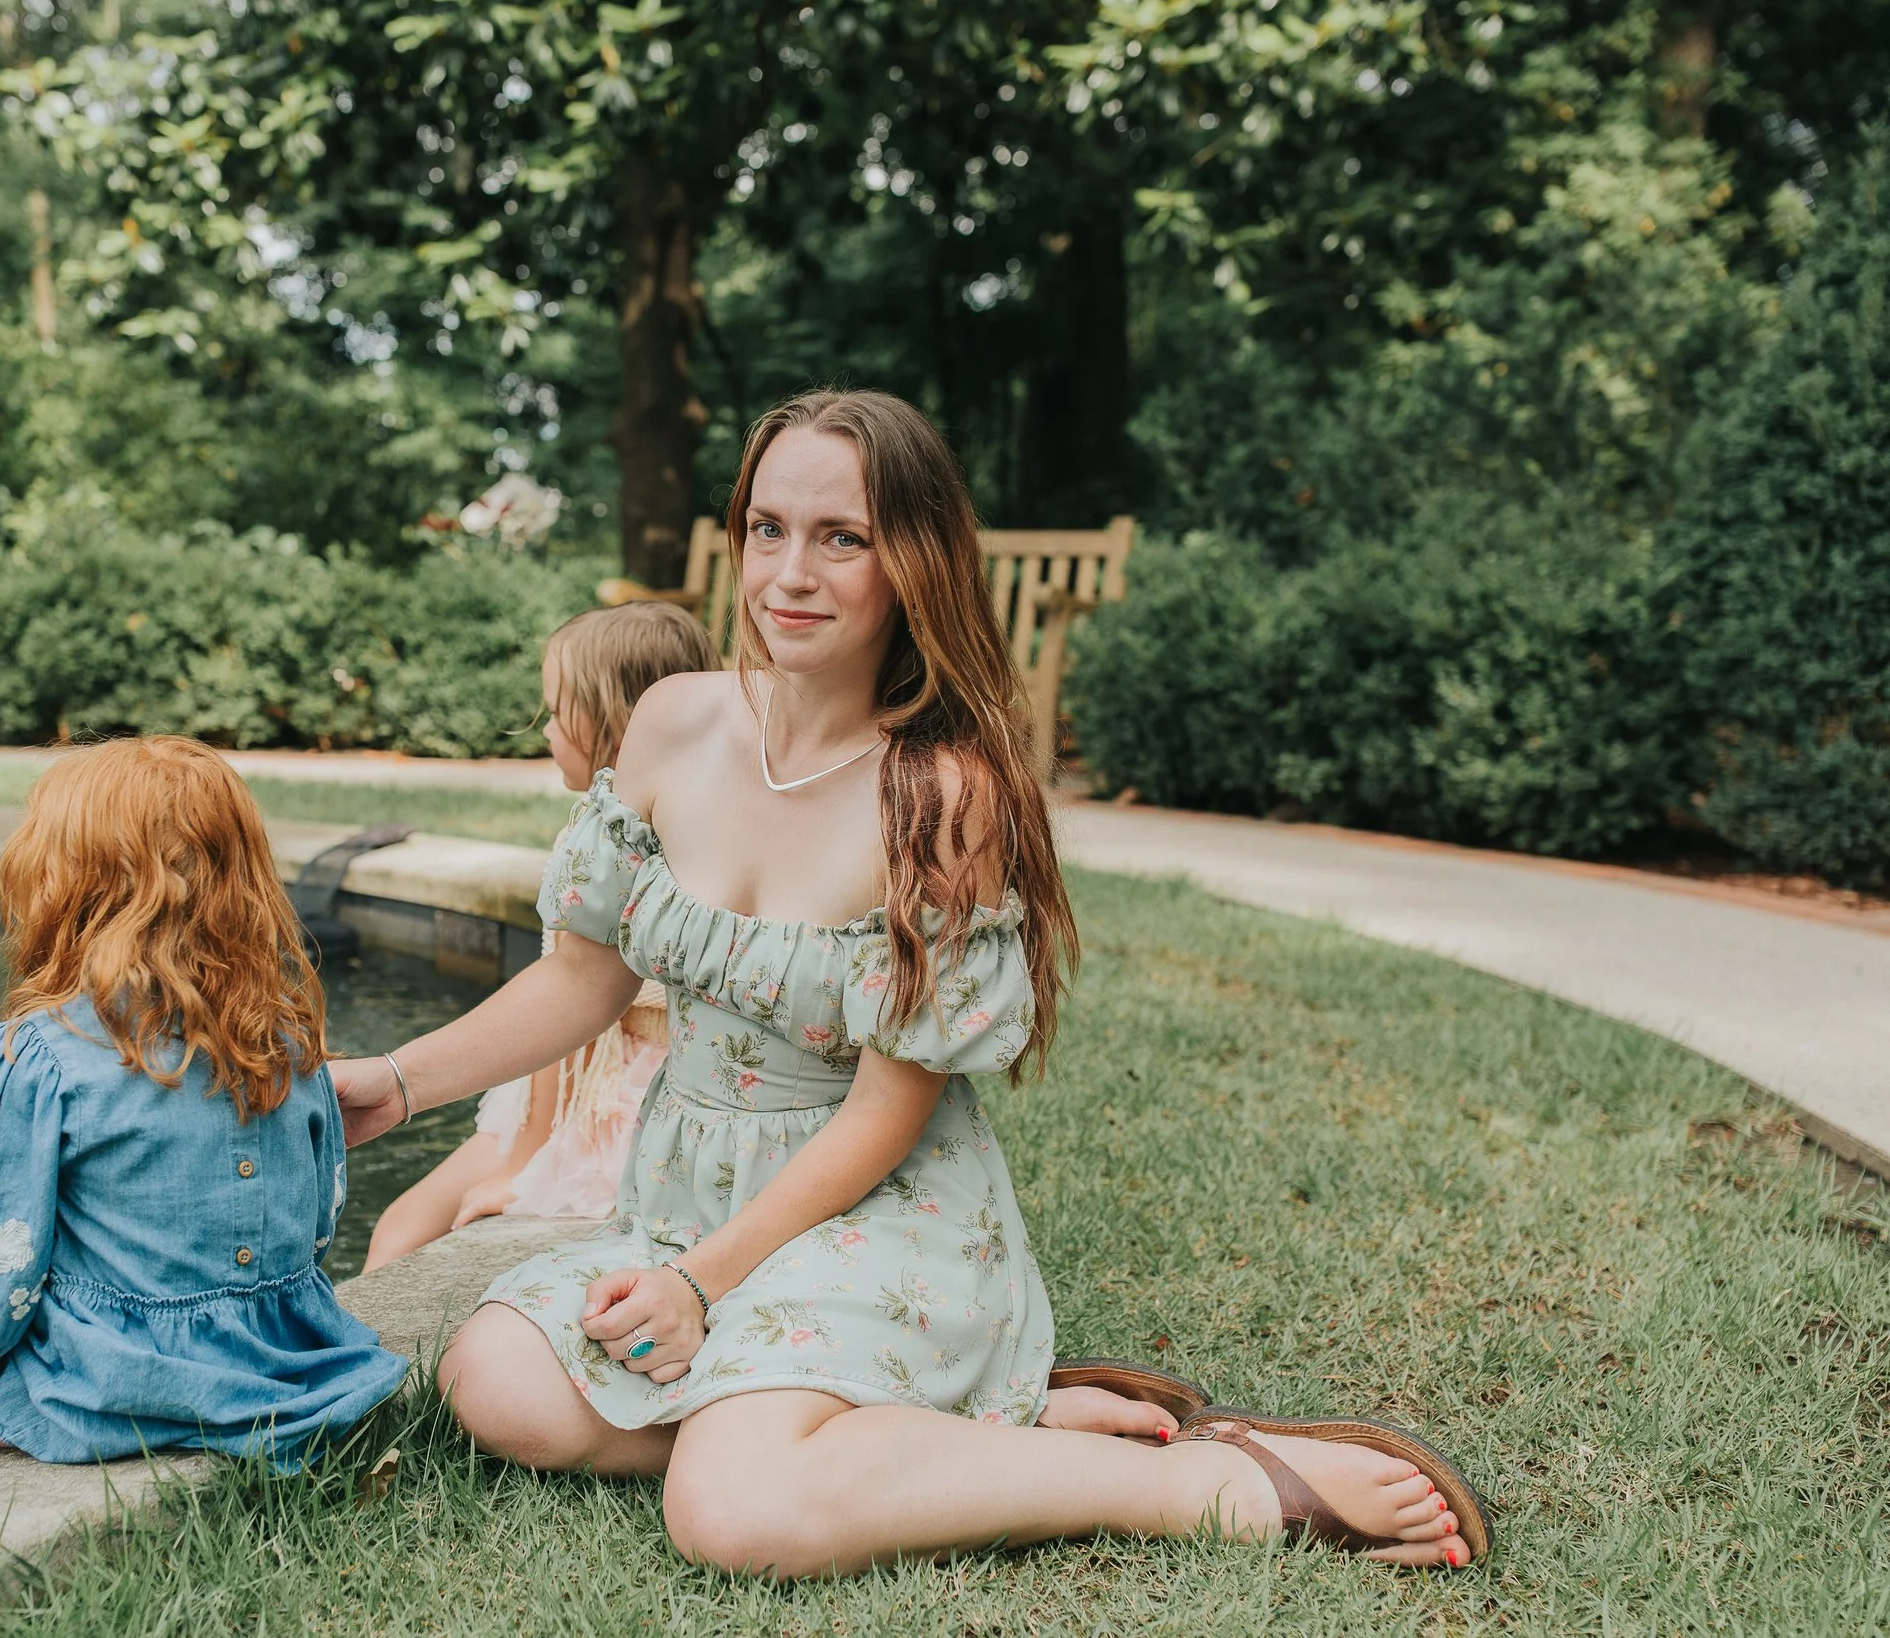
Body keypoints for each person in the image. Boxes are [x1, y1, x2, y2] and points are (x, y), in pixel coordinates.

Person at [332, 391, 1489, 1576]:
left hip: (871, 1211)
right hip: (685, 1195)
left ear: (914, 560)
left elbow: (891, 1109)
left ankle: (1215, 1478)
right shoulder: (673, 724)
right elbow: (582, 980)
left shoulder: (938, 791)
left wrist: (694, 1283)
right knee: (495, 1377)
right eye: (768, 526)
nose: (790, 571)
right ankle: (945, 1423)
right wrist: (391, 1078)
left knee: (730, 1510)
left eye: (844, 536)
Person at [0, 737, 405, 1478]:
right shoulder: (282, 1038)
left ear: (65, 884)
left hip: (118, 1384)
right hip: (284, 1360)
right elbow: (314, 1221)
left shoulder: (37, 1054)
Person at [366, 602, 719, 1269]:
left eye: (557, 713)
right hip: (622, 1099)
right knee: (406, 1224)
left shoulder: (608, 853)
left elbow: (571, 1037)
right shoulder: (683, 835)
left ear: (617, 728)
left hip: (608, 1115)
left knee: (407, 1229)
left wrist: (524, 1171)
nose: (546, 729)